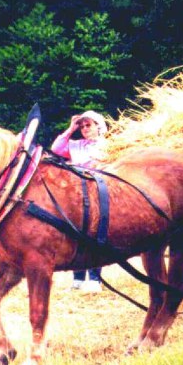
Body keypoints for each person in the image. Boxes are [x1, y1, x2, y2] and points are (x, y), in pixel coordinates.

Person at [51, 110, 108, 292]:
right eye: (82, 126)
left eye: (88, 125)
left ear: (98, 126)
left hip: (98, 192)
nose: (84, 129)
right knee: (75, 234)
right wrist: (70, 129)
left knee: (94, 233)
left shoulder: (108, 145)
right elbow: (56, 149)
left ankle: (94, 278)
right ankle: (78, 278)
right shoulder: (76, 145)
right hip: (77, 193)